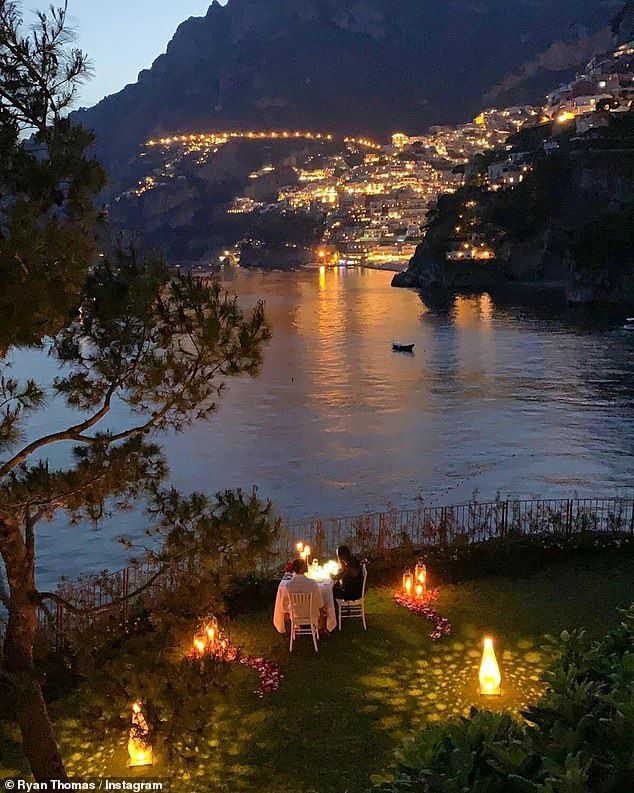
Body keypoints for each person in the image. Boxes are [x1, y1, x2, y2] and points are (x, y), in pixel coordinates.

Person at [282, 558, 324, 627]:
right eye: (305, 565)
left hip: (295, 614)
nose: (307, 566)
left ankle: (292, 627)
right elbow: (320, 603)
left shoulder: (288, 585)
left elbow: (284, 604)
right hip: (311, 613)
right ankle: (321, 627)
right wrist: (322, 618)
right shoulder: (312, 583)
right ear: (301, 569)